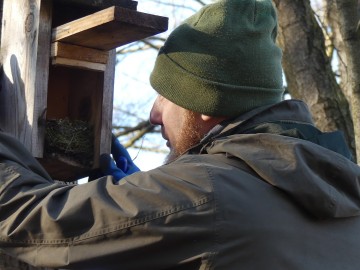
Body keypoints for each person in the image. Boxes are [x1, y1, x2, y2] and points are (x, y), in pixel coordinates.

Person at [1, 0, 360, 269]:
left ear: (205, 104)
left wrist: (167, 206)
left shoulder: (206, 193)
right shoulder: (343, 197)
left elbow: (30, 219)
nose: (154, 115)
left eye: (165, 96)